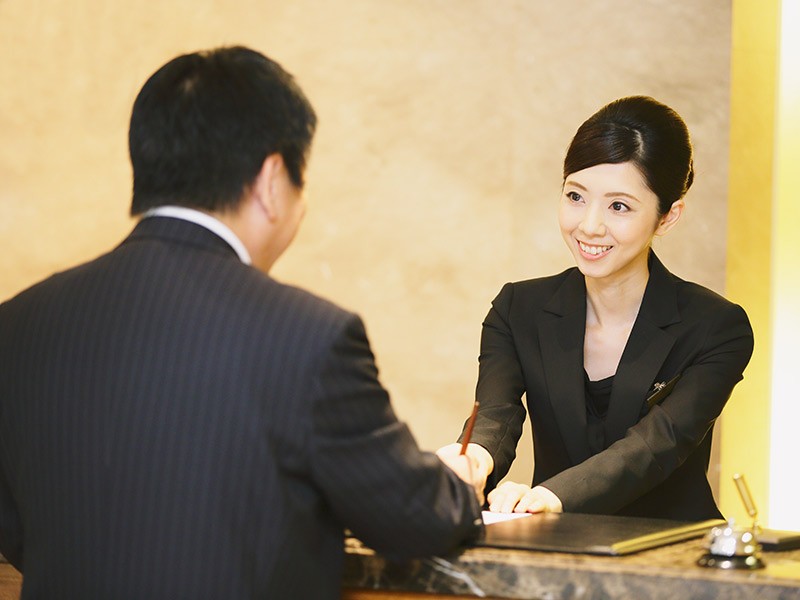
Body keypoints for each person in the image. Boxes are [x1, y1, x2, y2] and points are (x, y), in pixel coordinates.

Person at [0, 46, 484, 599]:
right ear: (273, 180)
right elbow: (408, 517)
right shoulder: (311, 336)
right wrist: (459, 486)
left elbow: (16, 527)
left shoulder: (17, 324)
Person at [439, 96, 753, 522]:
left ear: (668, 217)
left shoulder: (716, 326)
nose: (589, 225)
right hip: (555, 553)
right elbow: (497, 413)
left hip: (673, 558)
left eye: (618, 206)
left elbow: (655, 445)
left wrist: (554, 495)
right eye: (575, 196)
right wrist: (474, 460)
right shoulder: (518, 309)